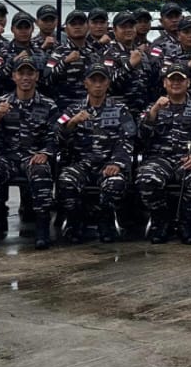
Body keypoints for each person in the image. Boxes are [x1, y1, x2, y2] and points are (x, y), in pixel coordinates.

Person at [0, 59, 60, 249]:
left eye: (30, 74)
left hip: (33, 156)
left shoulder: (48, 105)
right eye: (21, 74)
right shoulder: (1, 102)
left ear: (37, 76)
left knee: (40, 171)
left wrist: (45, 153)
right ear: (14, 76)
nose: (25, 78)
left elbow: (55, 136)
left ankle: (42, 230)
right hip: (8, 157)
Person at [135, 65, 191, 245]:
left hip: (188, 159)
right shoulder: (152, 108)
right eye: (172, 79)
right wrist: (154, 112)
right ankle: (161, 220)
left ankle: (186, 222)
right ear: (165, 83)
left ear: (188, 83)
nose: (176, 83)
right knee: (146, 177)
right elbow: (141, 137)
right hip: (159, 159)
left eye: (180, 80)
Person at [56, 64, 137, 242]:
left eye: (102, 80)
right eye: (94, 80)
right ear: (86, 83)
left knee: (114, 184)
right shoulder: (72, 110)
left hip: (108, 165)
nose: (98, 84)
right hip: (81, 165)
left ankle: (105, 222)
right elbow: (57, 138)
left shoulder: (120, 109)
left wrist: (116, 163)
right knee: (66, 180)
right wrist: (72, 124)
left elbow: (127, 139)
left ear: (108, 83)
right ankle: (75, 222)